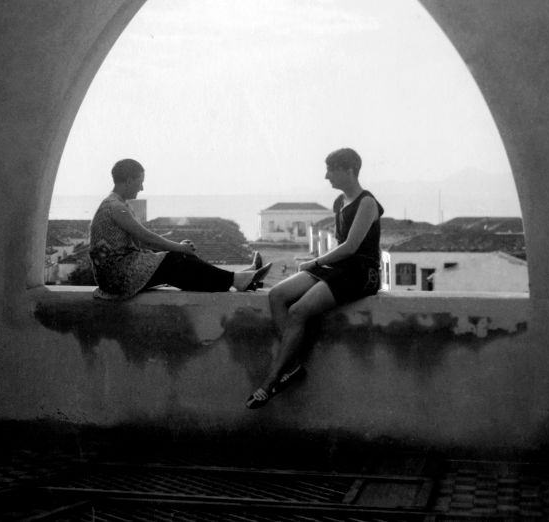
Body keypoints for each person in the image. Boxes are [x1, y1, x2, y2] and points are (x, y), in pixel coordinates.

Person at [246, 148, 384, 409]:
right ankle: (293, 365)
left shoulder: (367, 202)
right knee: (277, 295)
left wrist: (315, 262)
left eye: (331, 169)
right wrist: (319, 264)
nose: (326, 176)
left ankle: (272, 379)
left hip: (361, 273)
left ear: (349, 170)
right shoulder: (340, 202)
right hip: (339, 268)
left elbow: (352, 246)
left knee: (298, 311)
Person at [89, 159, 272, 301]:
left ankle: (239, 278)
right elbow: (146, 239)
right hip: (117, 277)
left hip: (118, 275)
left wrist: (179, 249)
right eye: (140, 182)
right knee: (176, 260)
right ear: (128, 181)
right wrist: (179, 247)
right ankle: (238, 279)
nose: (142, 187)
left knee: (181, 263)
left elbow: (144, 242)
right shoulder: (115, 207)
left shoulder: (116, 204)